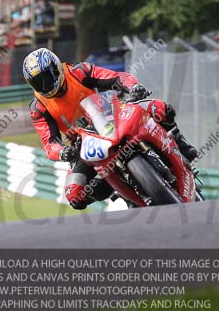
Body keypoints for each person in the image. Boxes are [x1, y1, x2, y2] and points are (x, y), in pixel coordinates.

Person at [22, 48, 197, 210]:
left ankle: (181, 144)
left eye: (47, 76)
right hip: (83, 144)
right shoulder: (38, 108)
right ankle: (118, 188)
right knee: (74, 195)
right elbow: (49, 143)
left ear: (56, 67)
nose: (45, 85)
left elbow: (116, 77)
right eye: (38, 83)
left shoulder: (78, 71)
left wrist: (133, 87)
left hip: (112, 117)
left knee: (160, 108)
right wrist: (63, 152)